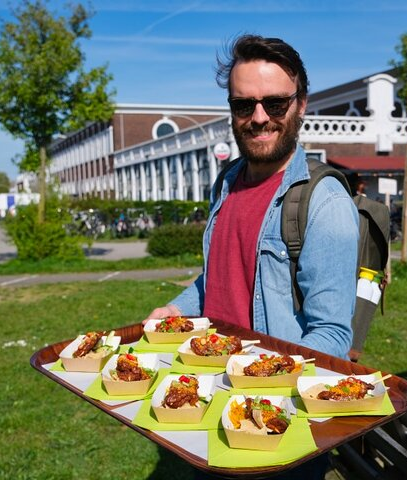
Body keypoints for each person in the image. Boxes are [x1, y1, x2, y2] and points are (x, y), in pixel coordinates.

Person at [145, 34, 359, 361]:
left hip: (268, 397)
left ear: (301, 104)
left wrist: (263, 375)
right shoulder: (227, 183)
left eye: (275, 103)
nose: (259, 118)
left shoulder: (324, 202)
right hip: (210, 381)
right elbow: (222, 281)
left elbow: (332, 335)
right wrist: (175, 309)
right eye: (244, 104)